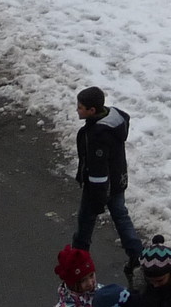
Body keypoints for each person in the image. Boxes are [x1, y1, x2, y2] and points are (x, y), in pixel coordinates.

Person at [71, 86, 142, 277]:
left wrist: (97, 199)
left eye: (80, 107)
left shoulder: (97, 136)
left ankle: (79, 257)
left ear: (92, 111)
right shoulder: (113, 120)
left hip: (99, 187)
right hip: (118, 179)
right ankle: (137, 254)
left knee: (86, 220)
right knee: (120, 215)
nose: (77, 110)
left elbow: (98, 170)